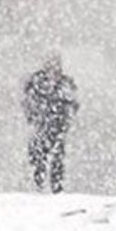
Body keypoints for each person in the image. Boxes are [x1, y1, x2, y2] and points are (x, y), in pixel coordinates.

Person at [22, 55, 79, 194]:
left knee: (57, 158)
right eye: (51, 66)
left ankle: (56, 188)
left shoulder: (65, 84)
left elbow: (74, 103)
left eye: (56, 66)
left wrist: (66, 117)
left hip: (58, 126)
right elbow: (28, 103)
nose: (54, 70)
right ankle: (38, 186)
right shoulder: (37, 83)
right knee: (38, 156)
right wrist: (35, 116)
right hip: (42, 126)